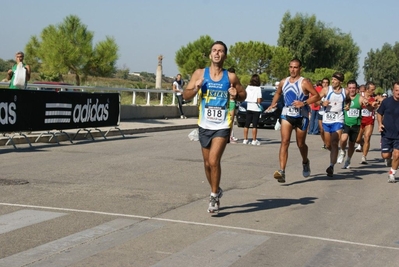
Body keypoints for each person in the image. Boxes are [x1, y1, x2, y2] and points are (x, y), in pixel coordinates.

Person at [182, 41, 246, 213]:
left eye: (221, 51)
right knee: (206, 163)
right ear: (210, 54)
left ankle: (213, 196)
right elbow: (185, 95)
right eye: (214, 50)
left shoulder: (230, 77)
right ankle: (216, 189)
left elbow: (242, 94)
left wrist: (236, 94)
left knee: (213, 160)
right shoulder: (200, 74)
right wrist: (195, 89)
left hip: (222, 125)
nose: (217, 53)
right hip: (204, 125)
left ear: (224, 55)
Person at [267, 58, 321, 183]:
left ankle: (305, 161)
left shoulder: (304, 82)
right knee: (284, 142)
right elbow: (278, 93)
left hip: (301, 116)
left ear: (300, 68)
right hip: (287, 114)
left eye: (295, 67)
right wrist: (273, 104)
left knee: (300, 144)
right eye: (291, 67)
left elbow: (317, 96)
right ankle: (282, 171)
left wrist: (304, 103)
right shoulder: (283, 82)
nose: (293, 69)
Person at [319, 72, 346, 177]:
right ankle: (335, 153)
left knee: (334, 142)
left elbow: (349, 100)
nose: (333, 81)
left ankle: (331, 166)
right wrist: (322, 103)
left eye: (335, 79)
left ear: (340, 81)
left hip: (338, 119)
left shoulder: (345, 92)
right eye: (333, 79)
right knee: (328, 144)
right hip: (327, 119)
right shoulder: (327, 90)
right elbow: (316, 100)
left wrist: (347, 105)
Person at [337, 80, 365, 168]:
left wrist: (368, 103)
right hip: (346, 123)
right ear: (347, 88)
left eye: (353, 88)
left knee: (352, 144)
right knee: (343, 139)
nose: (352, 90)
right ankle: (342, 151)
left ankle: (348, 160)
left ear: (356, 89)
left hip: (356, 124)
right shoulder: (344, 98)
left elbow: (365, 101)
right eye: (350, 88)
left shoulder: (359, 98)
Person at [377, 81, 399, 183]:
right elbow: (379, 113)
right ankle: (389, 159)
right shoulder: (386, 102)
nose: (398, 92)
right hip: (387, 133)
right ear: (392, 91)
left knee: (397, 154)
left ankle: (392, 173)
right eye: (396, 90)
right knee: (386, 155)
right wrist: (380, 124)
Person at [355, 81, 379, 164]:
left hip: (369, 121)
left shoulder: (374, 98)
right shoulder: (359, 96)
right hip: (360, 120)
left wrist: (373, 104)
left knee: (367, 138)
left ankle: (364, 157)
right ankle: (361, 143)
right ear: (367, 89)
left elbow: (372, 107)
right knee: (357, 139)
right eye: (372, 90)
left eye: (374, 89)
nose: (373, 91)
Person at [242, 74, 262, 145]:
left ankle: (245, 139)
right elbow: (259, 100)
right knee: (254, 125)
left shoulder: (248, 87)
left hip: (249, 106)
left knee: (246, 124)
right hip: (256, 108)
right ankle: (254, 140)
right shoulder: (258, 88)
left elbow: (245, 95)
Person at [318, 78, 330, 149]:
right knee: (321, 130)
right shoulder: (319, 93)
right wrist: (322, 103)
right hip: (321, 113)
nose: (325, 84)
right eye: (324, 82)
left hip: (329, 114)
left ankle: (328, 142)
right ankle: (325, 142)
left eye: (327, 82)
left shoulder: (331, 92)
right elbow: (316, 102)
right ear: (322, 83)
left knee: (328, 130)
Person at [227, 67, 239, 143]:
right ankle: (228, 136)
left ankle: (229, 136)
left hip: (231, 102)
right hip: (228, 102)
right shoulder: (225, 81)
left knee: (231, 120)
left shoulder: (235, 83)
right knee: (229, 120)